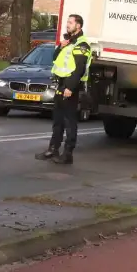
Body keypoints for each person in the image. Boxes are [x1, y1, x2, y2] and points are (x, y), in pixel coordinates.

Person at [35, 14, 91, 165]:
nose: (67, 24)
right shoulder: (68, 42)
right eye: (67, 22)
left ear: (78, 26)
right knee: (58, 120)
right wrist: (61, 46)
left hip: (69, 86)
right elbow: (55, 59)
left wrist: (70, 88)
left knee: (69, 121)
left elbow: (79, 69)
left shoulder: (82, 44)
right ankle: (53, 149)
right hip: (60, 84)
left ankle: (68, 154)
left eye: (70, 22)